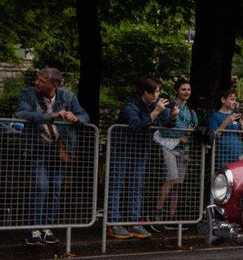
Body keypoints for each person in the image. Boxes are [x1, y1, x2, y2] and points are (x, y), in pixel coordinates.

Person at [14, 68, 90, 245]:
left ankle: (47, 227)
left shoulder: (68, 97)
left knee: (55, 188)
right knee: (40, 186)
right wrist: (52, 115)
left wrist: (76, 118)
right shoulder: (29, 94)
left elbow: (85, 116)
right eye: (37, 79)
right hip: (38, 148)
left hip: (60, 149)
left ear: (54, 84)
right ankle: (34, 229)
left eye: (42, 81)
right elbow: (22, 113)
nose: (37, 83)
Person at [107, 78, 177, 240]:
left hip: (140, 150)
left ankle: (134, 222)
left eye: (158, 91)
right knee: (117, 185)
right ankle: (113, 223)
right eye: (152, 92)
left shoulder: (157, 104)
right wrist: (155, 113)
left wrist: (172, 116)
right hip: (122, 149)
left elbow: (167, 124)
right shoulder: (130, 105)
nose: (155, 95)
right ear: (143, 92)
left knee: (136, 185)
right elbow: (135, 126)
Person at [153, 79, 198, 222]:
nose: (187, 92)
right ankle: (157, 213)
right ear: (176, 91)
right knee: (172, 179)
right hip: (169, 147)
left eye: (189, 89)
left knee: (178, 183)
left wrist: (186, 136)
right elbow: (165, 128)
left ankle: (172, 216)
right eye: (183, 89)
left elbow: (192, 130)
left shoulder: (191, 112)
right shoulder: (168, 107)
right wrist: (180, 136)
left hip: (183, 149)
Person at [209, 89, 243, 171]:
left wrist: (242, 127)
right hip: (223, 155)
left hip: (238, 154)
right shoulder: (215, 116)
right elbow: (214, 135)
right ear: (223, 100)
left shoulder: (237, 116)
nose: (234, 102)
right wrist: (226, 122)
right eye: (232, 99)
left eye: (235, 100)